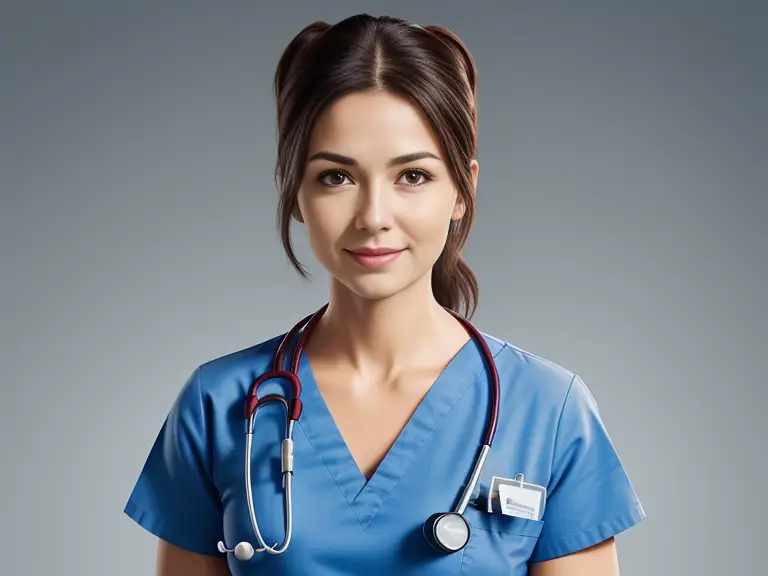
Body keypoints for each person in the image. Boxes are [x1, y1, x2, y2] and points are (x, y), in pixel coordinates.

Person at [124, 13, 646, 576]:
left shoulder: (549, 410)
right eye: (336, 177)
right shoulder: (218, 404)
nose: (374, 217)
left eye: (413, 176)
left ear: (461, 191)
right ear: (296, 192)